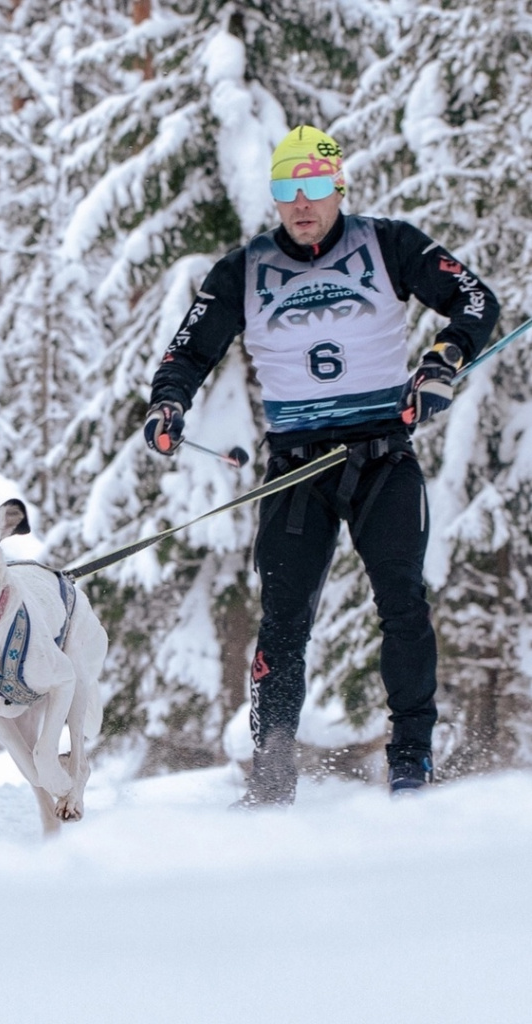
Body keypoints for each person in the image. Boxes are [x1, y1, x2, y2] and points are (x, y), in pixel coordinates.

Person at [143, 124, 499, 803]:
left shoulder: (389, 243)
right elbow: (189, 350)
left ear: (339, 186)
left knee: (402, 603)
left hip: (381, 456)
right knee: (282, 621)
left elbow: (476, 301)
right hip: (297, 469)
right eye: (286, 189)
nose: (301, 203)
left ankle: (411, 764)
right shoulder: (245, 269)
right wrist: (168, 405)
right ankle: (273, 774)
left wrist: (443, 359)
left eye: (313, 186)